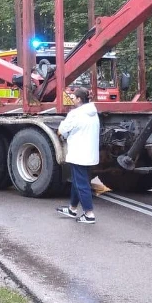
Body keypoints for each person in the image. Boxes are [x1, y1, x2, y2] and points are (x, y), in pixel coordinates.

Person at [56, 87, 100, 224]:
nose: (72, 99)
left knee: (81, 184)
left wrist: (61, 132)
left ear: (79, 99)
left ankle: (89, 214)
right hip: (89, 154)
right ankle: (72, 208)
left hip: (78, 154)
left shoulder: (75, 114)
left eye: (74, 97)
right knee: (77, 181)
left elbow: (62, 130)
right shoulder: (93, 113)